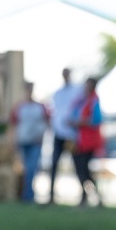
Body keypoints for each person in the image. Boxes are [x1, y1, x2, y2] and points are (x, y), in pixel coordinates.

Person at [47, 68, 84, 205]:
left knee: (78, 165)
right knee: (54, 164)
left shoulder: (77, 91)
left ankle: (84, 195)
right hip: (59, 133)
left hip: (72, 134)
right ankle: (51, 195)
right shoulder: (58, 93)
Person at [9, 81, 49, 203]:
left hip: (35, 141)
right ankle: (27, 193)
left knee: (32, 167)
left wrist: (42, 135)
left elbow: (47, 122)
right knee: (26, 168)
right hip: (23, 140)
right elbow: (13, 124)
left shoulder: (40, 107)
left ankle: (28, 194)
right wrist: (13, 140)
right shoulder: (20, 107)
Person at [71, 76, 104, 207]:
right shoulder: (82, 100)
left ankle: (89, 196)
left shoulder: (94, 100)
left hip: (89, 141)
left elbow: (96, 120)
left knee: (83, 170)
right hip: (79, 140)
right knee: (80, 170)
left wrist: (81, 122)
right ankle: (87, 196)